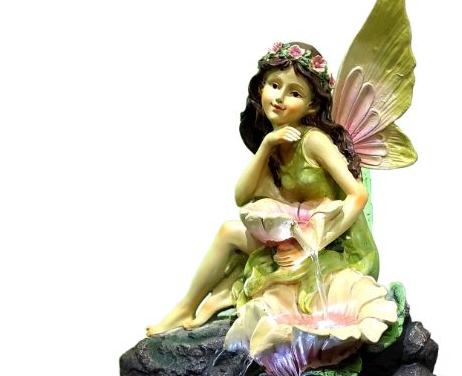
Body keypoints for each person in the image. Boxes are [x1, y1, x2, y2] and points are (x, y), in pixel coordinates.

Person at [147, 42, 378, 335]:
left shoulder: (314, 141)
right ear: (261, 88)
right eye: (274, 85)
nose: (279, 98)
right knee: (228, 231)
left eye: (294, 93)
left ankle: (226, 296)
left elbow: (358, 195)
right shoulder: (276, 143)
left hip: (333, 244)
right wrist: (267, 145)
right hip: (293, 236)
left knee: (271, 272)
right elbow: (241, 197)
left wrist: (309, 247)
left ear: (312, 105)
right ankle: (186, 306)